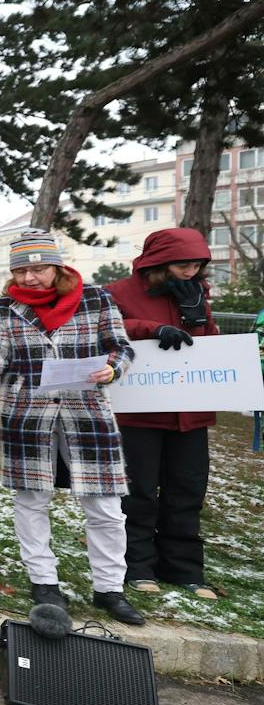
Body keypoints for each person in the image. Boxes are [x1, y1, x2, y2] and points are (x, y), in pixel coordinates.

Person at [0, 229, 143, 625]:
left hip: (86, 414)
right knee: (31, 501)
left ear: (56, 265)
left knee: (105, 506)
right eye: (21, 270)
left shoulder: (96, 299)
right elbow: (1, 362)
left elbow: (122, 348)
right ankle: (44, 583)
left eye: (37, 269)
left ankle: (109, 588)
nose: (28, 278)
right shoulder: (3, 308)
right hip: (26, 416)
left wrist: (112, 369)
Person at [105, 228, 219, 600]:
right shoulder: (120, 292)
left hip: (190, 410)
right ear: (159, 261)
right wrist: (151, 329)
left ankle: (184, 567)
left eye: (196, 265)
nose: (190, 271)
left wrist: (196, 317)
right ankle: (137, 565)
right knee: (138, 491)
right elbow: (107, 329)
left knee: (186, 490)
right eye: (182, 264)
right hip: (140, 411)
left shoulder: (197, 293)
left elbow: (214, 345)